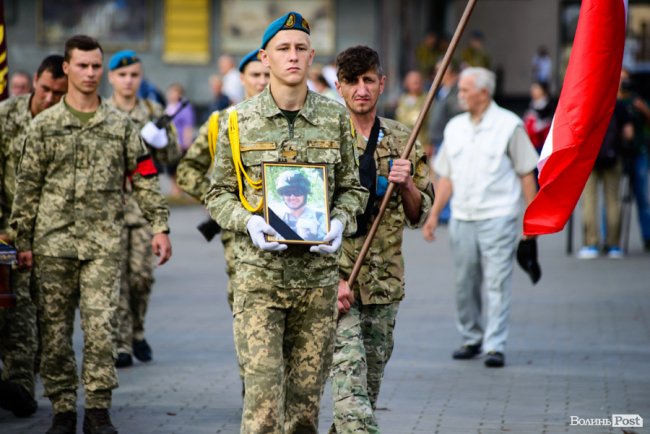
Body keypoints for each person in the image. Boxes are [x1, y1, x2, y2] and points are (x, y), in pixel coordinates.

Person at [204, 12, 367, 433]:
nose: (292, 56)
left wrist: (339, 221)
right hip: (259, 280)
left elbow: (353, 189)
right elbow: (217, 192)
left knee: (304, 411)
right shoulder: (238, 121)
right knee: (261, 404)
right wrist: (248, 222)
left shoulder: (335, 119)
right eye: (282, 49)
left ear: (312, 56)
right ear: (265, 57)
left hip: (316, 283)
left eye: (300, 49)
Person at [9, 35, 172, 434]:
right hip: (52, 243)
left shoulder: (119, 125)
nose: (89, 73)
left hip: (102, 243)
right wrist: (22, 241)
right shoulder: (44, 125)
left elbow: (145, 177)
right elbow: (27, 186)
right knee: (55, 330)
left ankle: (97, 409)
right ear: (66, 68)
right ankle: (63, 408)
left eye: (95, 66)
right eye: (81, 65)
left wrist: (160, 226)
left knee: (101, 329)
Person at [329, 45, 434, 434]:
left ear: (381, 83)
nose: (361, 89)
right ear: (338, 87)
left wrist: (406, 184)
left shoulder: (403, 140)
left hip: (384, 286)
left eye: (368, 80)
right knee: (350, 387)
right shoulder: (324, 139)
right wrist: (330, 280)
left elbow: (418, 213)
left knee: (363, 394)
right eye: (352, 81)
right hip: (336, 284)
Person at [422, 67, 538, 368]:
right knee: (465, 281)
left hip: (499, 216)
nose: (459, 95)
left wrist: (533, 219)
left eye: (465, 90)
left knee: (497, 282)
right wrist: (434, 215)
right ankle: (471, 337)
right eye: (459, 90)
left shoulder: (509, 125)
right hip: (462, 216)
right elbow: (445, 177)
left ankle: (494, 345)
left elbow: (526, 172)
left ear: (484, 93)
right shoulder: (455, 127)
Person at [0, 54, 68, 419]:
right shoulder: (6, 116)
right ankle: (19, 386)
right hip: (7, 230)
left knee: (40, 314)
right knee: (14, 308)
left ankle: (23, 384)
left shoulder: (67, 123)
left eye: (59, 93)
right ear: (36, 81)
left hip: (49, 234)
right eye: (45, 89)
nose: (49, 99)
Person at [177, 48, 270, 310]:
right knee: (244, 305)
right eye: (255, 74)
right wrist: (221, 199)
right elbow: (187, 170)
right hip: (238, 230)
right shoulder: (222, 121)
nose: (262, 81)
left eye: (267, 74)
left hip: (283, 229)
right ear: (241, 78)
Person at [106, 49, 181, 368]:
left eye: (134, 75)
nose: (128, 80)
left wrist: (162, 143)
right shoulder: (103, 112)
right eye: (122, 75)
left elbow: (172, 157)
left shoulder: (153, 111)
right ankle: (121, 342)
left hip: (141, 209)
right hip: (107, 209)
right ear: (111, 78)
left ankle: (137, 331)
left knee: (140, 278)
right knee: (115, 280)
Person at [577, 75, 633, 259]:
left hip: (589, 159)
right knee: (613, 201)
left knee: (589, 202)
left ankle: (591, 244)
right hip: (613, 158)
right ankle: (614, 245)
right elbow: (629, 134)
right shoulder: (619, 105)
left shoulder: (588, 104)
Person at [618, 68, 650, 252]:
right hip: (618, 154)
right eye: (620, 79)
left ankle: (647, 236)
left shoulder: (637, 101)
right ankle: (611, 239)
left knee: (642, 197)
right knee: (613, 198)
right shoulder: (612, 100)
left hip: (638, 152)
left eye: (626, 79)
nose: (623, 83)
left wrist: (643, 109)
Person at [271, 170, 327, 241]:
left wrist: (313, 236)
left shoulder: (320, 219)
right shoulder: (275, 219)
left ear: (305, 194)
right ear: (283, 196)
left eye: (297, 192)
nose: (292, 197)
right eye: (287, 192)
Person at [165, 82, 195, 196]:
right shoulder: (169, 106)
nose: (172, 95)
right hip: (169, 142)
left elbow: (188, 125)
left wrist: (187, 142)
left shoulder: (184, 108)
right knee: (170, 168)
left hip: (180, 142)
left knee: (178, 167)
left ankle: (178, 190)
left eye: (175, 92)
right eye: (171, 92)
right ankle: (174, 188)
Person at [395, 70, 432, 156]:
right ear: (407, 84)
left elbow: (431, 122)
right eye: (414, 82)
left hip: (421, 143)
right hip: (404, 144)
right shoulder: (402, 99)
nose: (417, 85)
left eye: (418, 82)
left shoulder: (427, 99)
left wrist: (430, 143)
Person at [523, 81, 555, 153]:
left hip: (541, 143)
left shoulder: (548, 106)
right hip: (530, 142)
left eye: (536, 88)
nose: (533, 91)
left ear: (543, 90)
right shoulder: (531, 104)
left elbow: (544, 125)